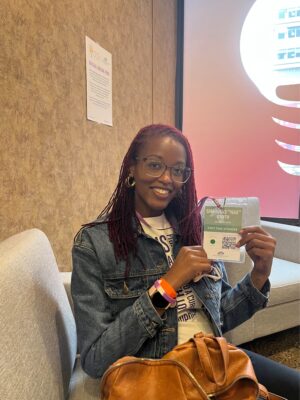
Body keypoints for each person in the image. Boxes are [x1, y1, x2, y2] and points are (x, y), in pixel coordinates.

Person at [71, 124, 300, 399]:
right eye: (155, 165)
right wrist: (168, 285)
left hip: (214, 361)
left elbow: (221, 317)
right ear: (132, 167)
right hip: (160, 375)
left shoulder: (196, 231)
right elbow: (96, 359)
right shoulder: (95, 243)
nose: (167, 178)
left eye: (178, 170)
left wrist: (259, 276)